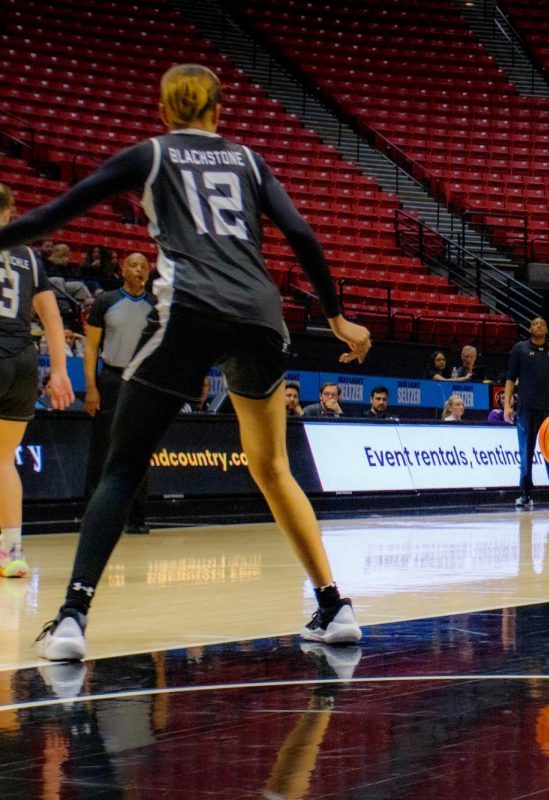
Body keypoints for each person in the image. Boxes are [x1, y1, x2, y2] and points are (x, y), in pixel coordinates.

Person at [0, 64, 372, 661]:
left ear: (164, 109)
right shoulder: (248, 160)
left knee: (122, 468)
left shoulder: (151, 155)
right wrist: (335, 317)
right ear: (219, 110)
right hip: (261, 318)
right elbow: (302, 233)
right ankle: (334, 605)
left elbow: (52, 215)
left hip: (191, 314)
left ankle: (72, 616)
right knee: (274, 467)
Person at [0, 184, 76, 579]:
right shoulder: (29, 257)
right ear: (11, 210)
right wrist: (60, 370)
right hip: (24, 360)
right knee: (3, 460)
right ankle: (11, 553)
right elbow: (52, 319)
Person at [84, 250, 155, 534]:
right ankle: (94, 515)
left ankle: (137, 517)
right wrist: (91, 386)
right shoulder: (105, 301)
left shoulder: (156, 305)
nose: (138, 269)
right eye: (133, 265)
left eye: (143, 266)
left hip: (143, 382)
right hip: (112, 379)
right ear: (123, 270)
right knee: (103, 448)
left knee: (140, 448)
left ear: (149, 273)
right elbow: (90, 347)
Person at [503, 317, 549, 509]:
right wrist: (507, 406)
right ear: (529, 329)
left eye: (543, 324)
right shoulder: (520, 348)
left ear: (547, 329)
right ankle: (525, 494)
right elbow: (511, 378)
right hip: (526, 409)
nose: (539, 326)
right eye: (535, 324)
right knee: (526, 452)